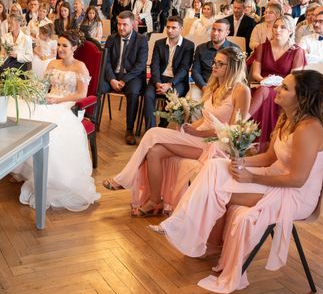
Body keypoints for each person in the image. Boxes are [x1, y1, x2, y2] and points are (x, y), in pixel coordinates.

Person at [154, 70, 323, 294]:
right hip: (274, 178)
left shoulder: (309, 129)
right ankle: (185, 226)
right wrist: (240, 161)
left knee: (220, 191)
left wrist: (251, 176)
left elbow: (297, 179)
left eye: (285, 88)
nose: (276, 89)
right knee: (217, 164)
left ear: (303, 97)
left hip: (295, 194)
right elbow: (269, 157)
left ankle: (198, 236)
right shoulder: (288, 119)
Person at [103, 46, 250, 216]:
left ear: (232, 67)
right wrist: (188, 128)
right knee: (154, 152)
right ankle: (155, 202)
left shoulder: (241, 91)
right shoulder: (214, 86)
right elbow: (206, 118)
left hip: (217, 146)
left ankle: (124, 178)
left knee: (152, 133)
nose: (214, 66)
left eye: (220, 64)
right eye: (214, 62)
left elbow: (234, 131)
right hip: (199, 137)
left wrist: (198, 133)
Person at [0, 30, 100, 211]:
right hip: (49, 101)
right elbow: (43, 87)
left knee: (51, 129)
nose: (60, 48)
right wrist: (33, 93)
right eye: (59, 44)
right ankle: (25, 167)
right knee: (22, 114)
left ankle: (51, 176)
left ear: (74, 48)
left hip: (68, 106)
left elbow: (82, 94)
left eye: (65, 46)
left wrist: (58, 100)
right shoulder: (52, 64)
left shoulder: (80, 67)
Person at [250, 16, 306, 152]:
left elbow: (294, 77)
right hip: (263, 84)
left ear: (291, 31)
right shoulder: (262, 47)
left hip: (285, 87)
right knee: (264, 91)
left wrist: (278, 83)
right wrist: (265, 80)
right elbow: (255, 73)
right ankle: (263, 141)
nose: (278, 30)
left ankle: (245, 128)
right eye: (275, 26)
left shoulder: (297, 51)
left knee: (266, 93)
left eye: (283, 27)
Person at [102, 11, 149, 145]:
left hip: (132, 76)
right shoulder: (111, 39)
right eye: (119, 24)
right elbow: (106, 62)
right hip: (113, 75)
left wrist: (123, 80)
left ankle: (129, 129)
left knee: (133, 92)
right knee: (98, 86)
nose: (121, 28)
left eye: (125, 25)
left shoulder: (141, 40)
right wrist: (111, 79)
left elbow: (140, 65)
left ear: (133, 24)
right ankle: (93, 120)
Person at [143, 16, 195, 129]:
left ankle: (161, 127)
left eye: (174, 28)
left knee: (172, 98)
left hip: (177, 81)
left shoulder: (189, 45)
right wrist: (157, 82)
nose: (170, 30)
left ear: (181, 29)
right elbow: (154, 65)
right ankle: (150, 129)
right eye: (168, 27)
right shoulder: (159, 43)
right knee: (148, 96)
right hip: (159, 78)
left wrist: (170, 84)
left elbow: (184, 68)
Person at [190, 19, 234, 100]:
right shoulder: (201, 48)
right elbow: (195, 71)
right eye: (213, 29)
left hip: (226, 86)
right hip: (204, 84)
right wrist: (204, 87)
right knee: (192, 100)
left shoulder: (233, 49)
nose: (215, 33)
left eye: (219, 30)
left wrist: (224, 88)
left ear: (227, 33)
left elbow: (236, 73)